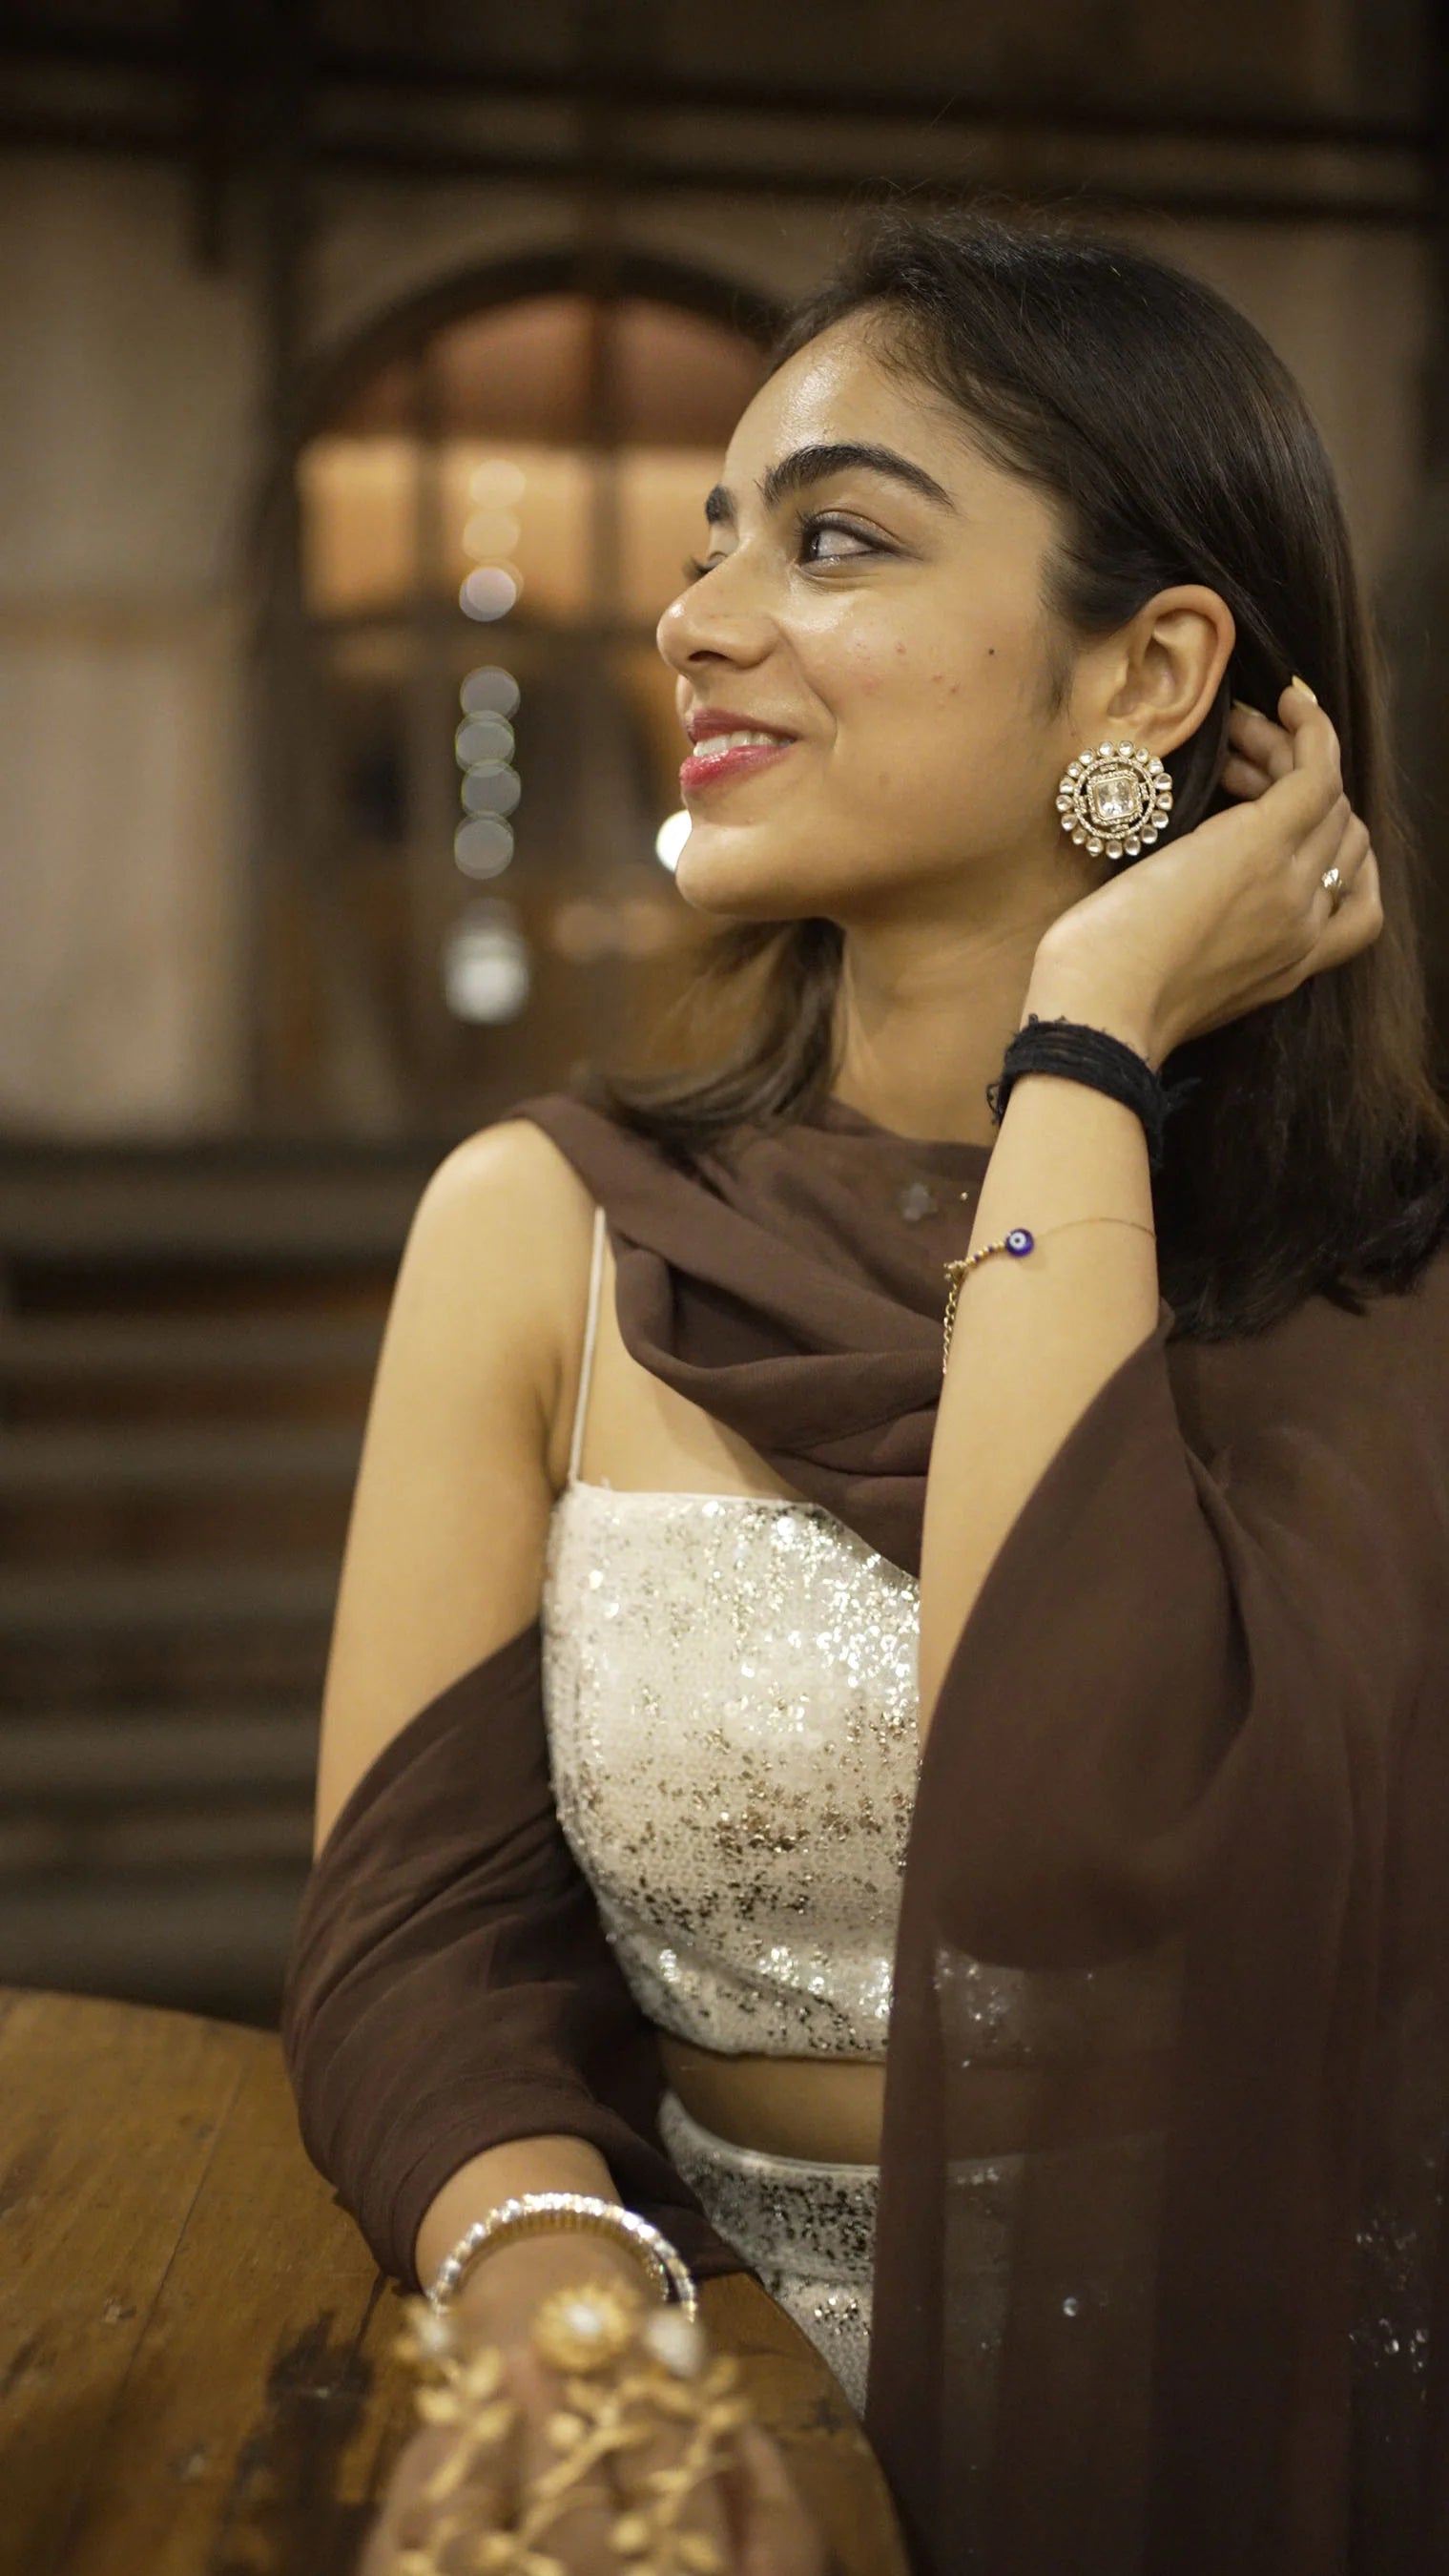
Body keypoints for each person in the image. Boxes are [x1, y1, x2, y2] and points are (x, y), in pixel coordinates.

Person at [282, 211, 1449, 2575]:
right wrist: (560, 2311)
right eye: (713, 538)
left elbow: (1079, 1798)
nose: (700, 613)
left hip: (1269, 2423)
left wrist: (1087, 1042)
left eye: (830, 539)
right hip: (718, 2392)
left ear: (1152, 673)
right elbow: (419, 1945)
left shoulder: (1385, 1291)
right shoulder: (544, 1230)